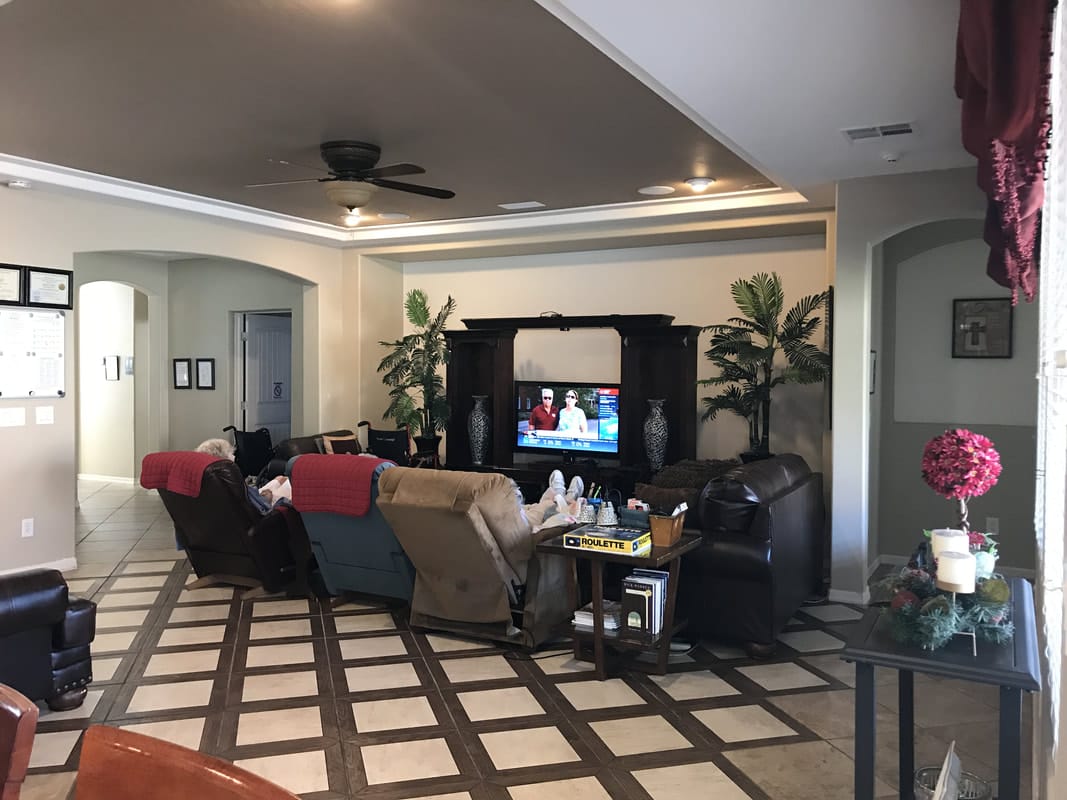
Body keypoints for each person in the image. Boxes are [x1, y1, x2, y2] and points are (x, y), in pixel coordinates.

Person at [195, 438, 290, 512]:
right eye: (231, 453)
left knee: (280, 478)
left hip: (254, 498)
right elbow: (262, 508)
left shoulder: (203, 485)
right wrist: (268, 497)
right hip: (265, 512)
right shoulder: (232, 483)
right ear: (223, 459)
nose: (234, 457)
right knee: (289, 483)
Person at [519, 469, 584, 532]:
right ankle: (568, 498)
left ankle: (564, 496)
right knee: (564, 504)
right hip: (548, 516)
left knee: (554, 498)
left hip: (543, 507)